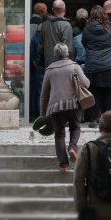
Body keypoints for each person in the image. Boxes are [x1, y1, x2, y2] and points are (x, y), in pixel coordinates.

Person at [40, 43, 89, 173]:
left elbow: (44, 95)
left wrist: (43, 114)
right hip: (73, 104)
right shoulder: (74, 66)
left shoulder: (49, 70)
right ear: (67, 54)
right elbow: (86, 84)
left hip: (55, 106)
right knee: (75, 127)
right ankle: (72, 148)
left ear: (55, 56)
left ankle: (63, 165)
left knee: (59, 134)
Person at [82, 6, 111, 128]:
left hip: (93, 65)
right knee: (109, 93)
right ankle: (108, 121)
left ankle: (94, 119)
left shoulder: (87, 29)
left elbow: (84, 44)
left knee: (94, 93)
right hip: (110, 65)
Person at [38, 0, 75, 69]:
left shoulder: (45, 24)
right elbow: (69, 48)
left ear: (52, 9)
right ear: (64, 9)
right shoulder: (66, 25)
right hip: (63, 66)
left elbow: (40, 46)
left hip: (48, 64)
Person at [29, 26, 44, 122]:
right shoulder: (46, 36)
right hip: (46, 66)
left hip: (39, 67)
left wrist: (36, 64)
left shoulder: (34, 37)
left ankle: (39, 114)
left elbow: (32, 53)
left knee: (39, 91)